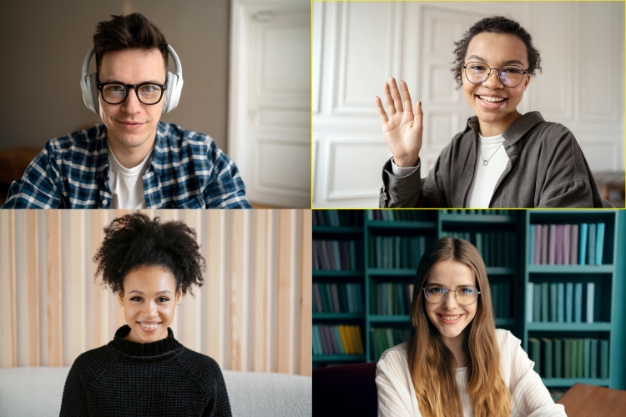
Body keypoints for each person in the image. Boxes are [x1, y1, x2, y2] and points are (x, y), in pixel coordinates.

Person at [3, 13, 251, 209]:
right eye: (115, 88)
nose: (132, 108)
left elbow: (243, 245)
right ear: (92, 93)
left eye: (149, 88)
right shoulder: (57, 160)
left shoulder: (205, 159)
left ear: (169, 94)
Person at [376, 16, 602, 208]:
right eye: (477, 67)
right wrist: (404, 162)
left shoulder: (554, 143)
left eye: (511, 70)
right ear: (461, 73)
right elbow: (412, 220)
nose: (493, 83)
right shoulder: (457, 148)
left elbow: (560, 238)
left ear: (526, 81)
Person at [59, 212, 232, 416]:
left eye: (162, 299)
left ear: (178, 295)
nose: (149, 312)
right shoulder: (88, 370)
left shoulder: (204, 373)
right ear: (121, 295)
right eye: (137, 298)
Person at [375, 237, 567, 417]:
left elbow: (549, 412)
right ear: (420, 295)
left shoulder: (506, 347)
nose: (450, 304)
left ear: (479, 298)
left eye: (465, 290)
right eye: (436, 290)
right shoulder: (394, 365)